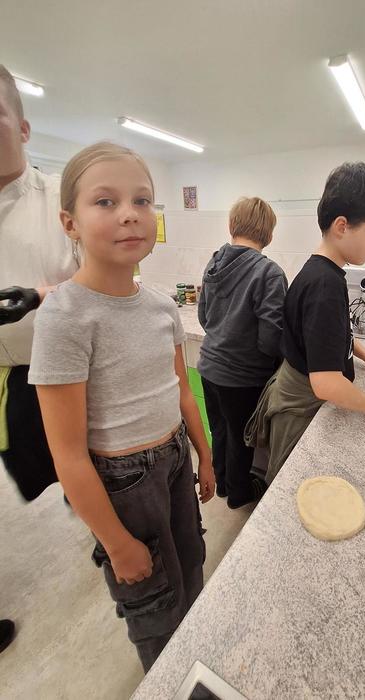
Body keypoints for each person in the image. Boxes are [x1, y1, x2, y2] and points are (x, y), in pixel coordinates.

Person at [28, 142, 215, 672]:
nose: (130, 213)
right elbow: (68, 456)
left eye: (142, 200)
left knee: (192, 566)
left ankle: (194, 660)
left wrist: (204, 454)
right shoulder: (64, 317)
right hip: (123, 482)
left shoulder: (161, 306)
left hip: (175, 458)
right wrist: (116, 543)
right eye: (105, 201)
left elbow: (181, 391)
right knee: (153, 598)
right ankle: (168, 677)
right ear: (70, 222)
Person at [245, 162, 365, 484]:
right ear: (342, 226)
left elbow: (331, 336)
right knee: (294, 489)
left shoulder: (323, 272)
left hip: (300, 397)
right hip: (301, 408)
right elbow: (326, 383)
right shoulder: (325, 285)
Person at [0, 64, 78, 500]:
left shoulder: (64, 198)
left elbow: (109, 285)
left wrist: (38, 297)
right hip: (7, 389)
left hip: (71, 379)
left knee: (91, 481)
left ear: (24, 129)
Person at [198, 197, 287, 509]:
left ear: (231, 225)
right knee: (241, 438)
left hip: (208, 367)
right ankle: (238, 494)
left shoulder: (214, 261)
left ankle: (222, 483)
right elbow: (271, 337)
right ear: (269, 234)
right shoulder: (269, 273)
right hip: (243, 377)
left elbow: (204, 317)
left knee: (220, 430)